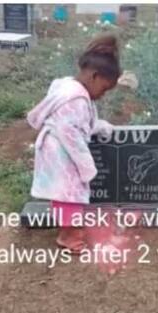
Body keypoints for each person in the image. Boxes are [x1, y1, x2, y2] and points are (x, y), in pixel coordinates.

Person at [27, 33, 120, 253]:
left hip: (56, 148)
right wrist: (86, 165)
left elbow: (79, 124)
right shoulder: (77, 98)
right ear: (95, 76)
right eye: (104, 89)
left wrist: (100, 126)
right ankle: (70, 236)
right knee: (71, 194)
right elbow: (71, 134)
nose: (103, 95)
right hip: (62, 151)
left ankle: (69, 231)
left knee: (65, 193)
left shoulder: (69, 89)